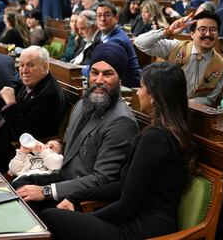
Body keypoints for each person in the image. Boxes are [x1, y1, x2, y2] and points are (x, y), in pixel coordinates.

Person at [40, 61, 197, 240]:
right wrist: (77, 197)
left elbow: (127, 207)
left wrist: (84, 218)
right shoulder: (165, 133)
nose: (138, 92)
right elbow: (125, 185)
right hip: (138, 221)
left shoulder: (155, 138)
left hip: (143, 228)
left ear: (153, 96)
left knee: (50, 217)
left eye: (141, 87)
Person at [16, 42, 138, 214]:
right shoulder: (82, 104)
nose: (99, 80)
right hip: (62, 175)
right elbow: (77, 146)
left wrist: (47, 191)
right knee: (19, 186)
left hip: (80, 197)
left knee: (26, 205)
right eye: (95, 73)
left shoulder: (122, 122)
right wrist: (59, 145)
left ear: (120, 79)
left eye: (108, 74)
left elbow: (101, 179)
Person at [0, 46, 66, 174]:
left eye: (30, 65)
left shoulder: (50, 95)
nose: (24, 70)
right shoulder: (34, 83)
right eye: (21, 65)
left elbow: (24, 135)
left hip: (11, 154)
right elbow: (12, 117)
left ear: (44, 66)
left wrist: (10, 103)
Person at [135, 11, 223, 106]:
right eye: (202, 29)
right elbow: (140, 43)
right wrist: (168, 31)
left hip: (195, 112)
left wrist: (183, 104)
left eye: (213, 30)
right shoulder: (176, 47)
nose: (208, 34)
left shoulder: (222, 66)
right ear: (192, 34)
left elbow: (209, 99)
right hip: (165, 107)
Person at [92, 1, 142, 88]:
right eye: (99, 15)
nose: (103, 19)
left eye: (107, 15)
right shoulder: (102, 35)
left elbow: (100, 69)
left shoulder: (117, 40)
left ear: (116, 17)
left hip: (130, 89)